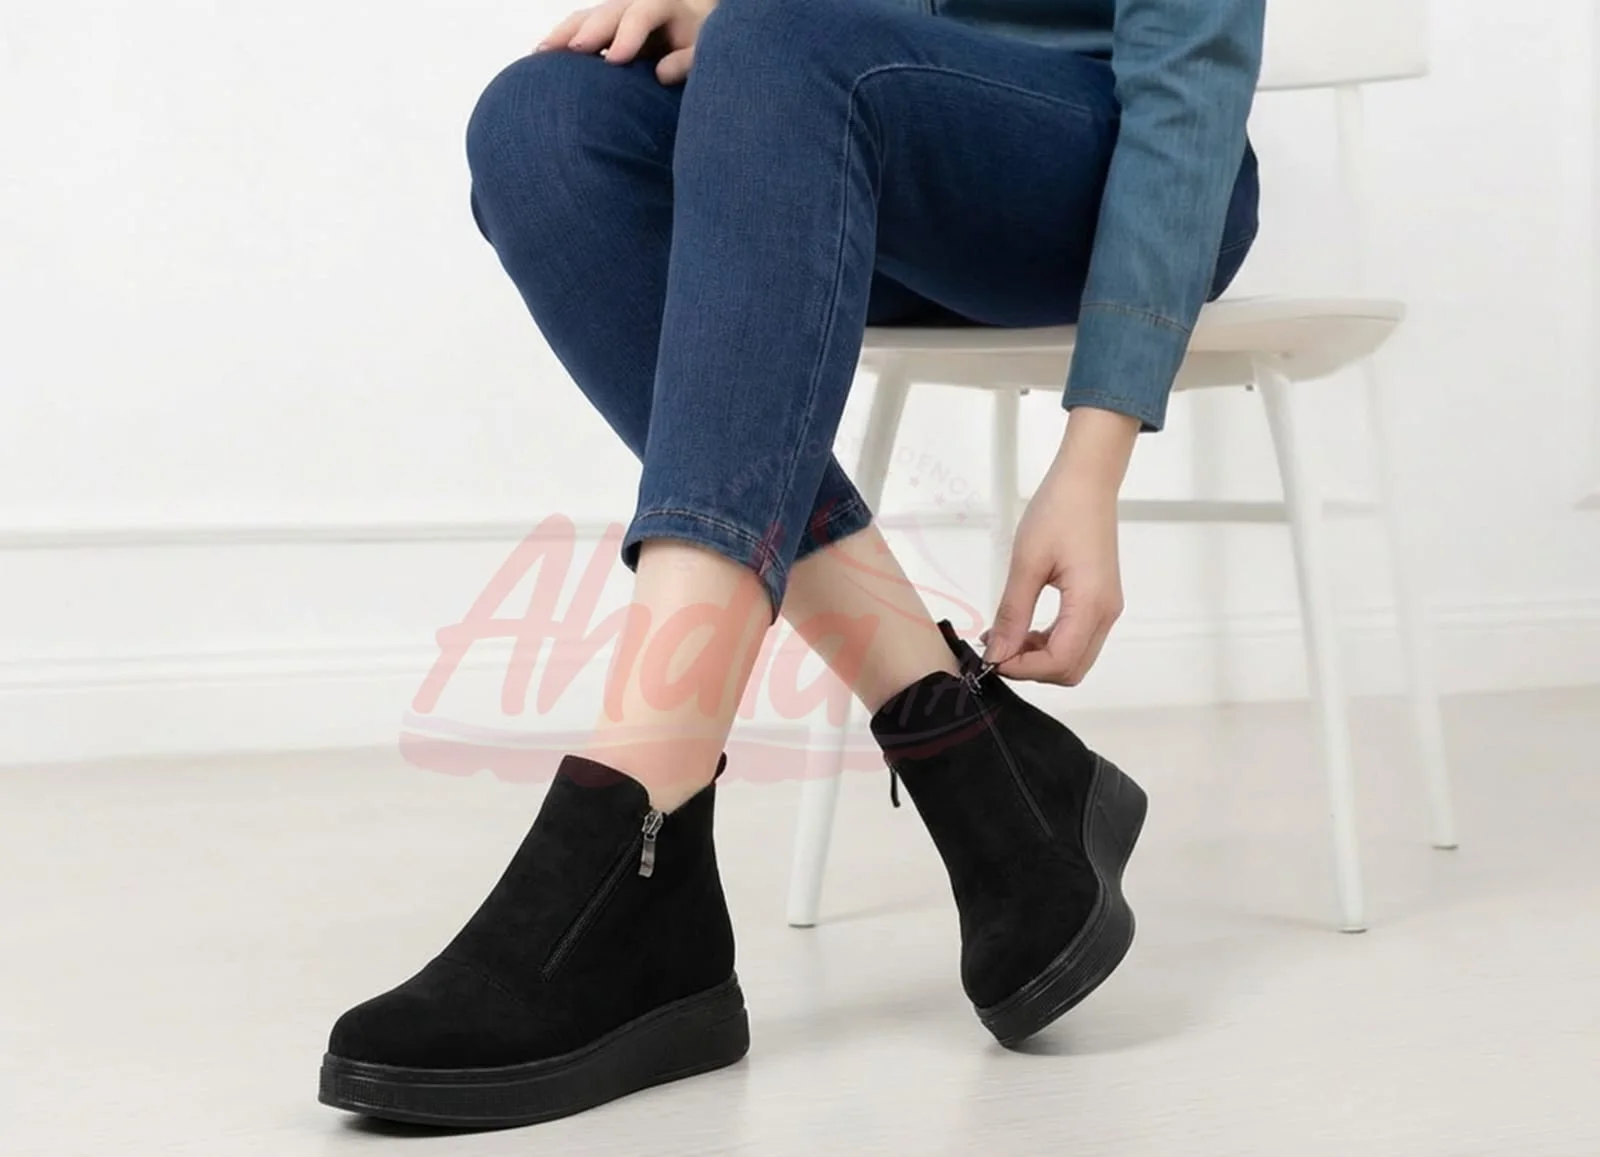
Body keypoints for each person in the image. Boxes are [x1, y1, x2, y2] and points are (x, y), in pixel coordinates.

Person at [318, 0, 1263, 1129]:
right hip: (831, 117)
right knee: (545, 125)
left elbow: (1192, 79)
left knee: (774, 41)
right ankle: (981, 766)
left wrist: (1093, 456)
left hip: (1087, 166)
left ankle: (642, 813)